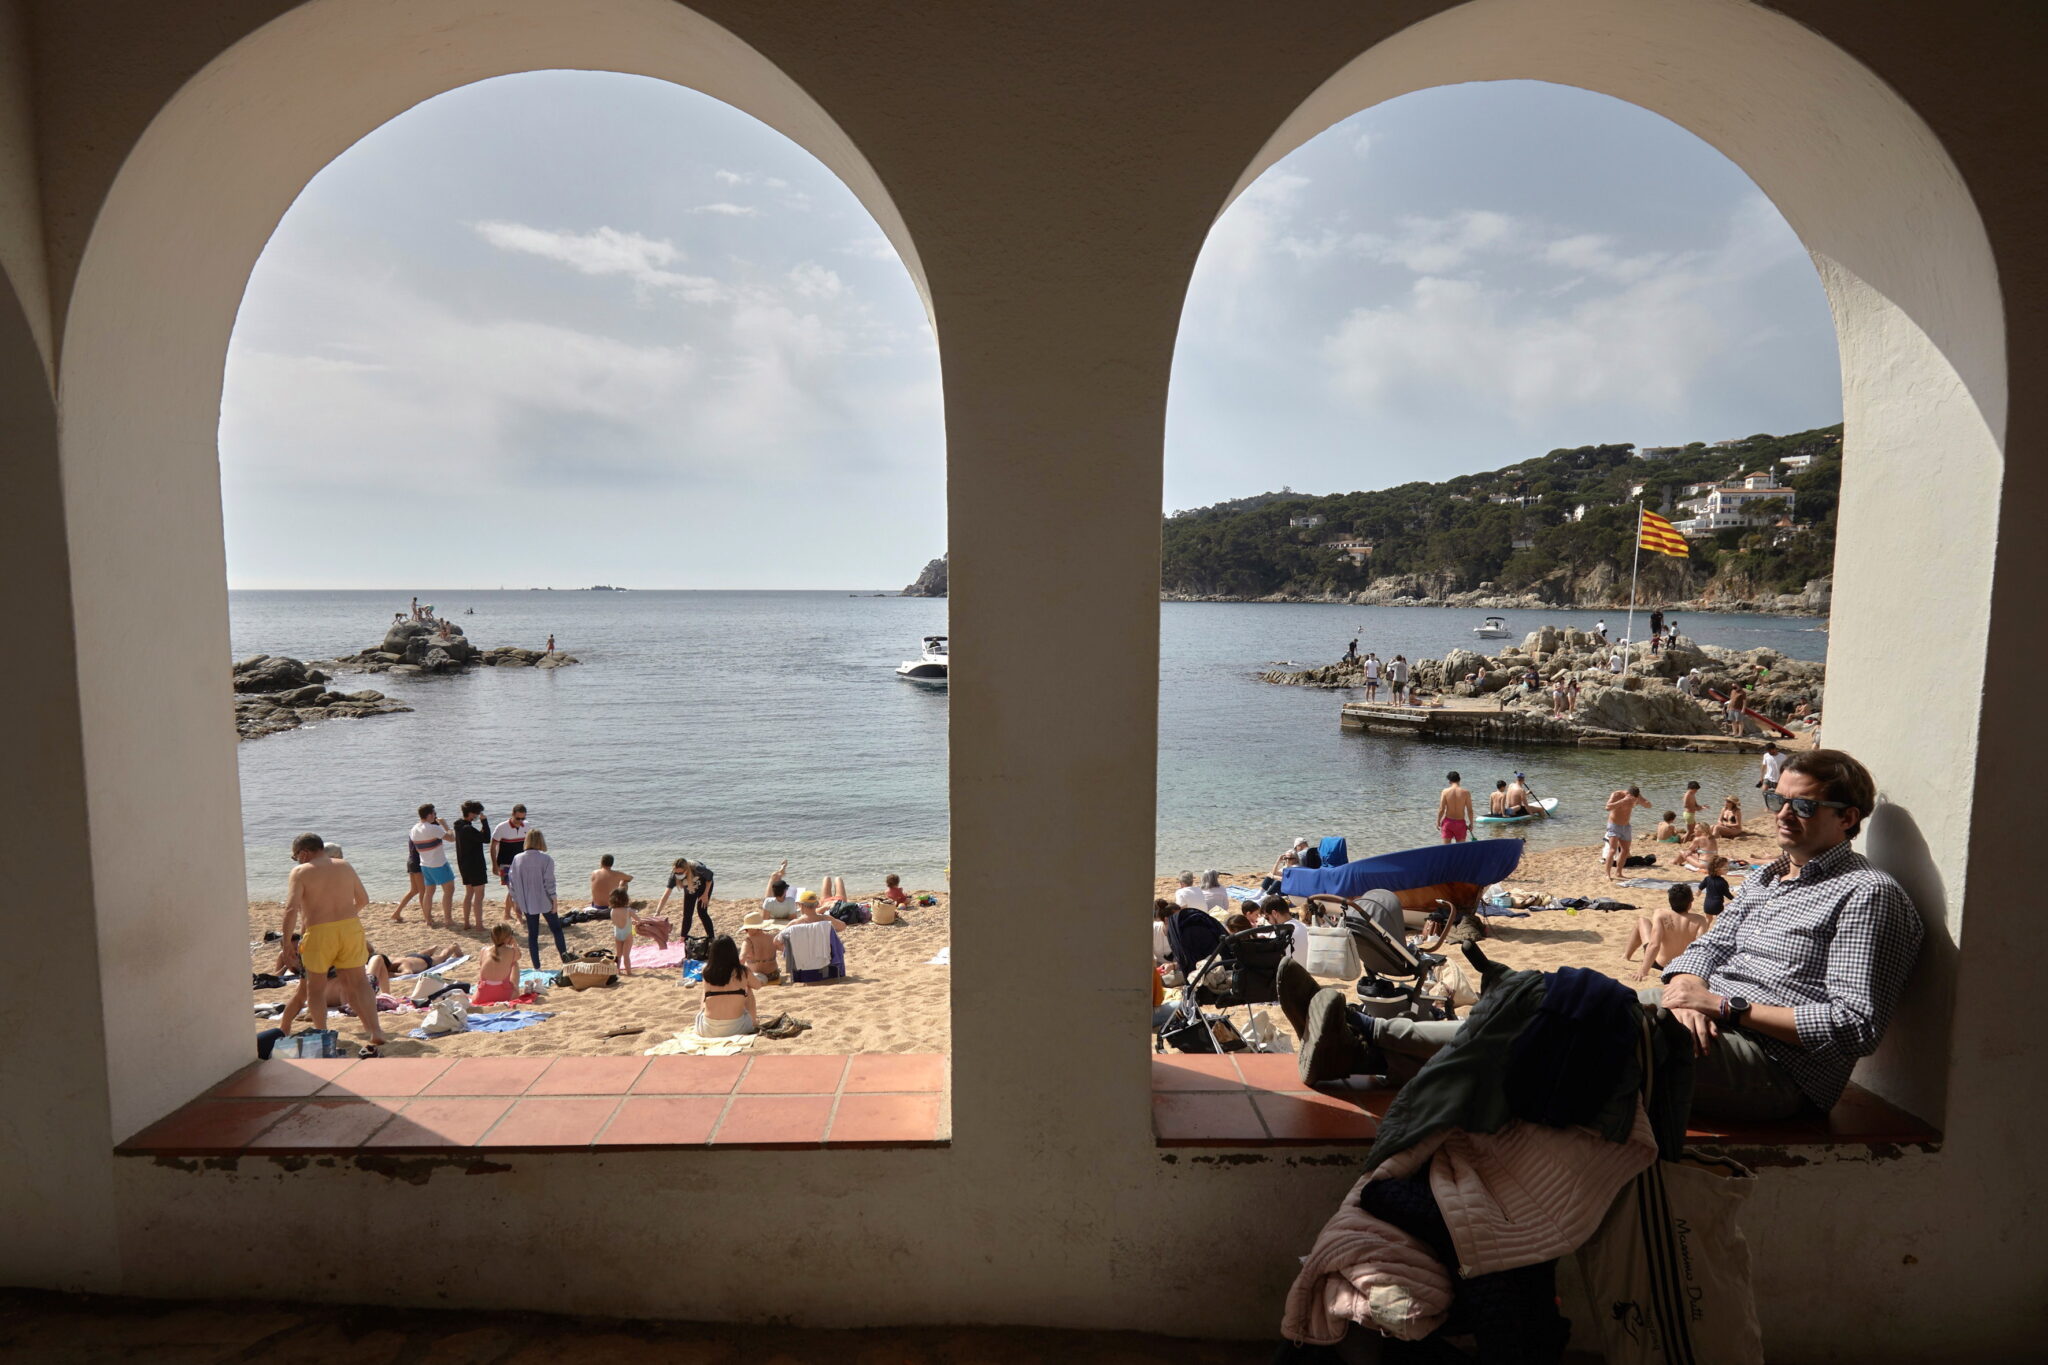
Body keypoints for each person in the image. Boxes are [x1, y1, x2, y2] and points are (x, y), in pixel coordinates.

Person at [280, 833, 386, 1051]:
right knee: (359, 983)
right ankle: (375, 1030)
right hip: (351, 929)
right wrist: (345, 917)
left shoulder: (300, 872)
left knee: (315, 988)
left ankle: (322, 1033)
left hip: (319, 932)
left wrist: (286, 943)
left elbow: (291, 910)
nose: (297, 860)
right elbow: (363, 899)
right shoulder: (344, 865)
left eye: (296, 856)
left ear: (304, 852)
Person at [1623, 883, 1710, 981]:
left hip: (1659, 964)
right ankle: (1625, 957)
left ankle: (1626, 956)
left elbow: (1654, 944)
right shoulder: (1700, 920)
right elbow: (1700, 949)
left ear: (1670, 901)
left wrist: (1643, 971)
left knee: (1642, 921)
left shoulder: (1661, 914)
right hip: (1682, 967)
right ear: (1690, 902)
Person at [507, 828, 567, 967]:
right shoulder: (546, 859)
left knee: (533, 935)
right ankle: (565, 961)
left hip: (527, 902)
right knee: (557, 930)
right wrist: (554, 900)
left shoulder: (517, 859)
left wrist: (516, 901)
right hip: (545, 900)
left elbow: (512, 883)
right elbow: (549, 883)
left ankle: (537, 967)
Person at [694, 934, 764, 1037]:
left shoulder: (707, 970)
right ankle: (753, 1022)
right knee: (748, 988)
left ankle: (706, 1015)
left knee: (706, 992)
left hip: (708, 1029)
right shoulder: (742, 971)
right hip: (737, 1027)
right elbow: (757, 986)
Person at [776, 891, 845, 983]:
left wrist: (792, 950)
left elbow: (776, 942)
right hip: (828, 969)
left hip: (802, 971)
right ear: (817, 905)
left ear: (800, 905)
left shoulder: (794, 924)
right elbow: (842, 926)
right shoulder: (826, 921)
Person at [408, 803, 456, 927]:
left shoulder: (414, 829)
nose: (435, 816)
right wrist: (445, 825)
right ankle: (448, 919)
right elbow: (451, 838)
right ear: (429, 815)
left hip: (425, 864)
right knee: (449, 890)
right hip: (438, 863)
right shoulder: (433, 828)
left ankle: (428, 919)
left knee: (429, 892)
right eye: (434, 814)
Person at [365, 942, 463, 995]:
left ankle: (454, 946)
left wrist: (392, 975)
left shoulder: (402, 965)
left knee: (442, 957)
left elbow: (408, 973)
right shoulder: (388, 959)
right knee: (418, 955)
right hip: (412, 957)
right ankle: (431, 949)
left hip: (426, 961)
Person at [656, 855, 717, 939]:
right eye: (676, 873)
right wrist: (657, 912)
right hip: (690, 887)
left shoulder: (697, 868)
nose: (678, 874)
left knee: (702, 912)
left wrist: (705, 894)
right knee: (687, 913)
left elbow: (710, 877)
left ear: (686, 870)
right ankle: (683, 937)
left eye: (680, 873)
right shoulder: (674, 876)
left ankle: (711, 938)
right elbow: (666, 894)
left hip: (704, 887)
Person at [453, 800, 491, 930]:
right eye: (477, 813)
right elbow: (486, 839)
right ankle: (479, 925)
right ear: (470, 813)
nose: (477, 815)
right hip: (475, 865)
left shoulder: (459, 825)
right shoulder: (468, 828)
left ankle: (467, 923)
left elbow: (478, 837)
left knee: (469, 893)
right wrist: (484, 822)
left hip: (464, 864)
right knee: (479, 895)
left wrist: (481, 829)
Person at [1603, 783, 1654, 879]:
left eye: (1634, 799)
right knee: (1613, 850)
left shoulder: (1637, 796)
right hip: (1614, 825)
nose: (1632, 801)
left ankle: (1618, 872)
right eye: (1631, 798)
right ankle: (1607, 874)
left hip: (1626, 826)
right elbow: (1607, 807)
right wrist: (1623, 801)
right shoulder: (1617, 795)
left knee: (1625, 850)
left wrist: (1642, 802)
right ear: (1627, 794)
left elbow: (1649, 805)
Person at [492, 804, 529, 917]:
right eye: (518, 818)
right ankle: (519, 917)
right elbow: (493, 846)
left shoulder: (527, 826)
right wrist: (494, 865)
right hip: (505, 863)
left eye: (523, 818)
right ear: (512, 814)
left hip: (521, 864)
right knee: (515, 890)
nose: (520, 821)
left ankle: (507, 913)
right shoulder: (501, 827)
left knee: (514, 890)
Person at [472, 924, 523, 1006]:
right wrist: (514, 943)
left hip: (481, 997)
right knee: (514, 963)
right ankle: (514, 988)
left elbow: (482, 966)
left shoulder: (483, 950)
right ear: (508, 937)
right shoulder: (512, 951)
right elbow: (519, 955)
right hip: (505, 995)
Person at [739, 909, 784, 983]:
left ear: (752, 928)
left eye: (746, 929)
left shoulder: (748, 941)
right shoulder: (771, 937)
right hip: (773, 975)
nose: (746, 931)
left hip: (757, 977)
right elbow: (785, 950)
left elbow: (741, 959)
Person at [392, 827, 426, 923]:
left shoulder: (413, 831)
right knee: (423, 891)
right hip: (416, 863)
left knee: (414, 890)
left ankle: (397, 912)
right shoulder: (421, 833)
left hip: (410, 861)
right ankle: (426, 914)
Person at [1261, 895, 1308, 963]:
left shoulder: (1279, 935)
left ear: (1274, 913)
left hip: (1289, 972)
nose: (1268, 921)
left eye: (1267, 917)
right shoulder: (1304, 926)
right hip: (1305, 971)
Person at [606, 886, 638, 975]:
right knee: (626, 955)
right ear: (626, 899)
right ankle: (629, 972)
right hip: (627, 934)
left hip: (617, 934)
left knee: (619, 954)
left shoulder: (612, 911)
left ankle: (618, 971)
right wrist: (634, 923)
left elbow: (614, 922)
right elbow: (639, 920)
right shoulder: (628, 910)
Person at [1436, 772, 1473, 843]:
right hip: (1460, 823)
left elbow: (1441, 809)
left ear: (1449, 781)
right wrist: (1471, 823)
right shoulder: (1466, 793)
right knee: (1460, 850)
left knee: (1446, 849)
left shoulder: (1445, 791)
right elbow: (1470, 810)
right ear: (1459, 779)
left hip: (1448, 823)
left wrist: (1438, 821)